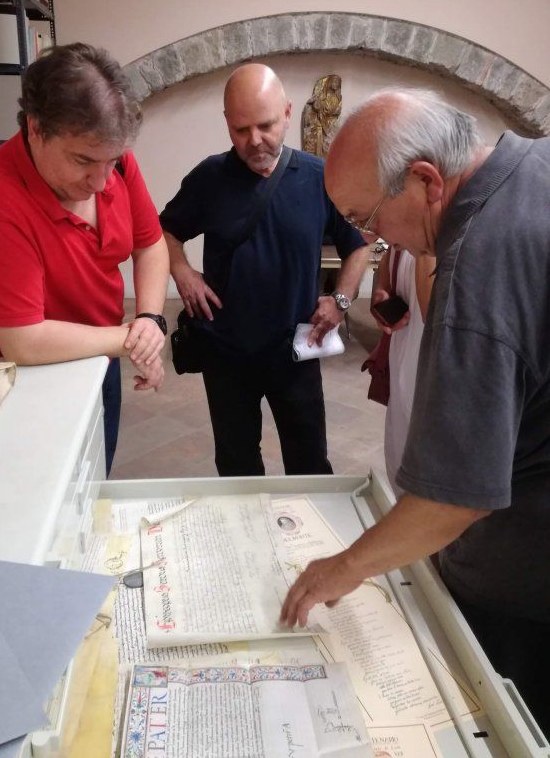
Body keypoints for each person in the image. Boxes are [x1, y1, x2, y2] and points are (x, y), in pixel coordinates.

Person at [280, 87, 550, 737]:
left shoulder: (478, 266)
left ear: (427, 181)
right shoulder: (533, 159)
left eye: (368, 218)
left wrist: (343, 568)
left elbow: (453, 499)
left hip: (529, 581)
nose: (372, 238)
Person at [0, 43, 170, 474]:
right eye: (83, 161)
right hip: (21, 381)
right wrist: (132, 340)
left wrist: (149, 319)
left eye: (111, 161)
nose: (101, 181)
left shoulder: (112, 161)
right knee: (40, 487)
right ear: (36, 128)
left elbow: (150, 243)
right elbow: (23, 341)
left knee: (94, 477)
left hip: (99, 357)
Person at [161, 64, 369, 477]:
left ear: (288, 113)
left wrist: (340, 300)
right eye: (241, 130)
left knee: (309, 463)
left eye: (266, 125)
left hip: (295, 349)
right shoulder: (209, 178)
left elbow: (358, 245)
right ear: (227, 122)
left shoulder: (319, 178)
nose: (254, 140)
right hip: (226, 351)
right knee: (236, 465)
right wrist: (182, 270)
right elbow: (162, 231)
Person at [371, 247, 435, 497]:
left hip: (430, 377)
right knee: (399, 462)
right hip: (403, 366)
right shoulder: (406, 241)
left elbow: (434, 312)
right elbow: (388, 265)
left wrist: (422, 242)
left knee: (423, 479)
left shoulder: (440, 241)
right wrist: (383, 291)